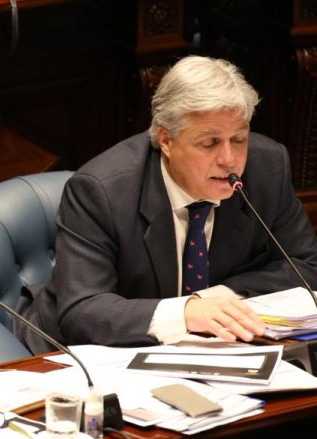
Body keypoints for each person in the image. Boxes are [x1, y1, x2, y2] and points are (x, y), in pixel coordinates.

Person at [26, 55, 317, 351]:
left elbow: (307, 265)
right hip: (88, 353)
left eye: (239, 139)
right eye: (210, 143)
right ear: (166, 140)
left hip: (211, 351)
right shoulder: (101, 191)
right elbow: (82, 311)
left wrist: (217, 299)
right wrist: (185, 312)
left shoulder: (267, 168)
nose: (229, 160)